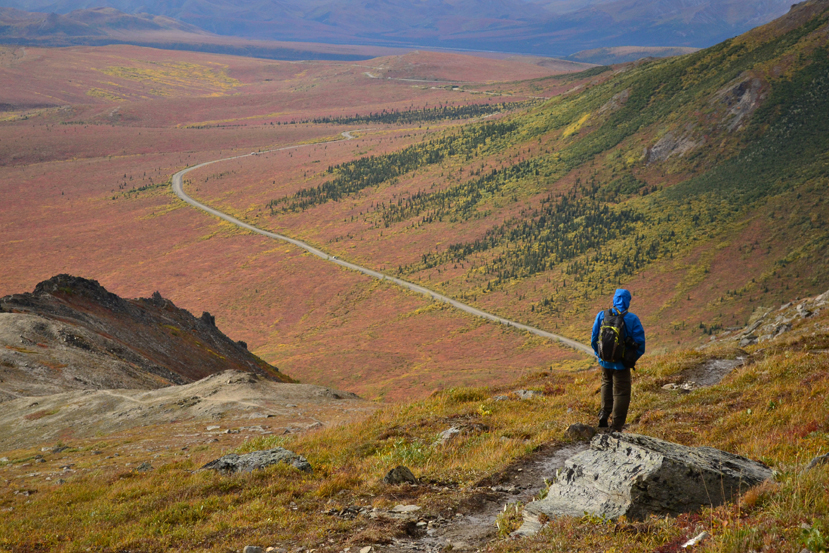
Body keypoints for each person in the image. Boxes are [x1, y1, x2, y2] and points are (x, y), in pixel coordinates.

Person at [590, 288, 646, 432]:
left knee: (606, 384)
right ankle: (616, 426)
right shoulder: (632, 319)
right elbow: (640, 344)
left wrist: (600, 356)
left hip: (605, 362)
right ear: (627, 301)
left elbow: (594, 338)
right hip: (621, 365)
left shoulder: (602, 315)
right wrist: (629, 360)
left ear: (615, 299)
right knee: (621, 392)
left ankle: (604, 414)